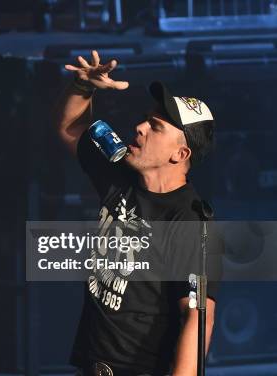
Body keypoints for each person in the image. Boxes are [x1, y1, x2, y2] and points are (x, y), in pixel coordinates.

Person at [56, 50, 222, 375]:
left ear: (181, 153)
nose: (140, 126)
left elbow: (197, 315)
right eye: (147, 118)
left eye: (155, 126)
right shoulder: (120, 169)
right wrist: (82, 86)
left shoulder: (190, 222)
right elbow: (70, 129)